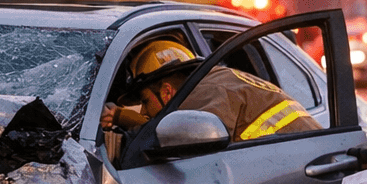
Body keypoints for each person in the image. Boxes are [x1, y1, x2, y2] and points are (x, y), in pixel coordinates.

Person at [101, 39, 320, 141]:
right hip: (303, 159)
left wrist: (118, 133)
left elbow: (174, 137)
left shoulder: (203, 97)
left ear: (167, 92)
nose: (145, 112)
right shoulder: (214, 80)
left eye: (145, 102)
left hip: (304, 168)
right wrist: (124, 117)